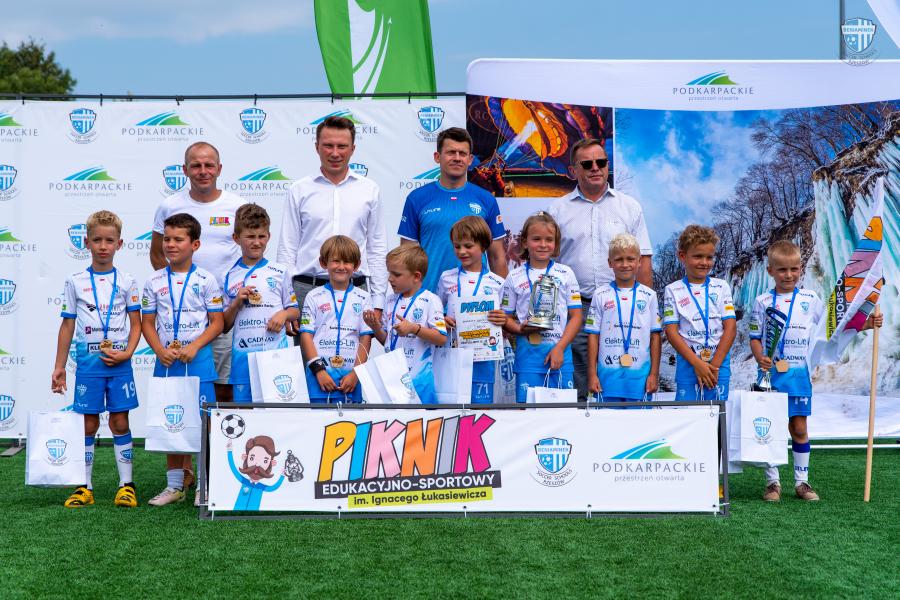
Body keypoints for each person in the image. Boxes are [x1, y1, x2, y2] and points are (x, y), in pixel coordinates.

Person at [749, 240, 882, 502]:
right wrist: (760, 356)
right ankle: (772, 484)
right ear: (770, 271)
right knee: (771, 430)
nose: (788, 275)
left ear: (801, 269)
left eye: (794, 269)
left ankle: (802, 482)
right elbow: (755, 338)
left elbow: (833, 327)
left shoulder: (810, 299)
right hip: (770, 378)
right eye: (782, 269)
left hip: (799, 378)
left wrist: (866, 323)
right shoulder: (762, 301)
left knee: (799, 429)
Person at [150, 141, 244, 488]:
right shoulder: (169, 205)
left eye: (209, 165)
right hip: (182, 322)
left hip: (224, 315)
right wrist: (179, 298)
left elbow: (248, 251)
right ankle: (186, 473)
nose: (203, 171)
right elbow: (157, 255)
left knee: (222, 392)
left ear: (219, 168)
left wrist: (225, 303)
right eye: (195, 165)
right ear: (185, 169)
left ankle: (219, 470)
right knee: (178, 398)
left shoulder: (236, 205)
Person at [548, 138, 652, 400]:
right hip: (575, 308)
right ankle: (579, 421)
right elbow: (548, 264)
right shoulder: (557, 210)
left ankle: (618, 419)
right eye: (587, 164)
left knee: (620, 375)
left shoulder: (629, 207)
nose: (595, 168)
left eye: (601, 162)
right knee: (578, 379)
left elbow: (643, 259)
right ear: (573, 170)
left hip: (622, 306)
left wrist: (646, 309)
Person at [51, 210, 141, 508]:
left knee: (120, 421)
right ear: (86, 243)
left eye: (109, 241)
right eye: (97, 240)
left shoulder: (127, 281)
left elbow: (137, 324)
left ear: (120, 244)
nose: (103, 246)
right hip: (88, 366)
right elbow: (67, 325)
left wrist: (128, 352)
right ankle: (84, 486)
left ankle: (126, 486)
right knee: (88, 425)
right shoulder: (75, 281)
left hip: (120, 365)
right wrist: (59, 367)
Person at [277, 115, 387, 334]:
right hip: (307, 289)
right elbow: (288, 247)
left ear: (353, 149)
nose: (335, 153)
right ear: (317, 147)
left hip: (356, 290)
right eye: (328, 145)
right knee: (307, 356)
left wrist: (378, 301)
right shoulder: (299, 190)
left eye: (342, 146)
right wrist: (287, 301)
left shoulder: (369, 190)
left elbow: (377, 248)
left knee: (356, 356)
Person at [141, 213, 224, 506]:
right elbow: (147, 323)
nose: (171, 245)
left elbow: (217, 323)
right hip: (167, 363)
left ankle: (204, 485)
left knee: (204, 423)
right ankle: (175, 486)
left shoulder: (206, 279)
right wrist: (159, 350)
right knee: (171, 423)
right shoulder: (153, 280)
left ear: (195, 244)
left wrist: (196, 345)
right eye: (167, 239)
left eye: (178, 239)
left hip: (198, 362)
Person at [398, 127, 508, 292]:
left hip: (477, 300)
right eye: (451, 152)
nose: (457, 158)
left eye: (462, 153)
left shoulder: (486, 199)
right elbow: (407, 257)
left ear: (470, 159)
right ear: (437, 157)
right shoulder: (417, 198)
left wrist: (505, 301)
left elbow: (497, 257)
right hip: (429, 297)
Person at [500, 212, 582, 404]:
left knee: (562, 414)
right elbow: (506, 319)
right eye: (536, 239)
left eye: (549, 240)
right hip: (528, 359)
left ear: (556, 243)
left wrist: (560, 348)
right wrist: (520, 329)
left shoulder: (566, 273)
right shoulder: (514, 277)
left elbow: (576, 316)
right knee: (528, 414)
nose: (543, 244)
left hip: (559, 356)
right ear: (525, 242)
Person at [221, 204, 299, 402]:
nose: (257, 242)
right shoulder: (228, 275)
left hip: (276, 356)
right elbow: (224, 325)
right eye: (250, 237)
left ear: (269, 236)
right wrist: (236, 303)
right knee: (246, 413)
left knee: (277, 410)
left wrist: (283, 314)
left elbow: (295, 311)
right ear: (236, 238)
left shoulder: (279, 271)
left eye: (261, 236)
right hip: (242, 359)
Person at [436, 216, 507, 404]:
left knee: (480, 410)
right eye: (457, 246)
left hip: (484, 356)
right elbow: (435, 312)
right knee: (449, 406)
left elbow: (506, 320)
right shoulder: (446, 278)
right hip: (452, 352)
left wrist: (504, 319)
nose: (462, 251)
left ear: (483, 246)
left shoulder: (497, 282)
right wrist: (441, 319)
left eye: (468, 246)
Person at [363, 245, 447, 404]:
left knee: (423, 419)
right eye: (389, 273)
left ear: (416, 276)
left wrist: (414, 329)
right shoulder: (390, 300)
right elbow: (387, 340)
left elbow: (441, 338)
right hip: (392, 378)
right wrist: (375, 327)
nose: (390, 278)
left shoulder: (431, 300)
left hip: (419, 380)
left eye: (396, 274)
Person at [585, 233, 661, 406]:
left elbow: (655, 336)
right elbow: (593, 336)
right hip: (607, 379)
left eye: (630, 259)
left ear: (639, 261)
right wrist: (592, 374)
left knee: (639, 422)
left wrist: (654, 374)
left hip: (640, 380)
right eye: (619, 259)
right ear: (610, 263)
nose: (625, 264)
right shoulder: (600, 294)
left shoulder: (649, 295)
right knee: (608, 421)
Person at [663, 225, 736, 402]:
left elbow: (731, 328)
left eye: (709, 257)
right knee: (689, 415)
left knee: (717, 416)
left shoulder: (721, 286)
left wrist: (714, 366)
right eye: (697, 256)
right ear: (682, 256)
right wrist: (697, 364)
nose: (704, 262)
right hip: (689, 367)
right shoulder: (673, 290)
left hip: (718, 367)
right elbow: (671, 332)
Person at [300, 235, 374, 403]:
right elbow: (306, 335)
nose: (341, 267)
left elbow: (365, 338)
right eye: (335, 261)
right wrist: (319, 370)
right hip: (319, 378)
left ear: (356, 265)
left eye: (347, 262)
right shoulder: (313, 296)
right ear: (323, 263)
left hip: (351, 381)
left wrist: (356, 373)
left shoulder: (364, 297)